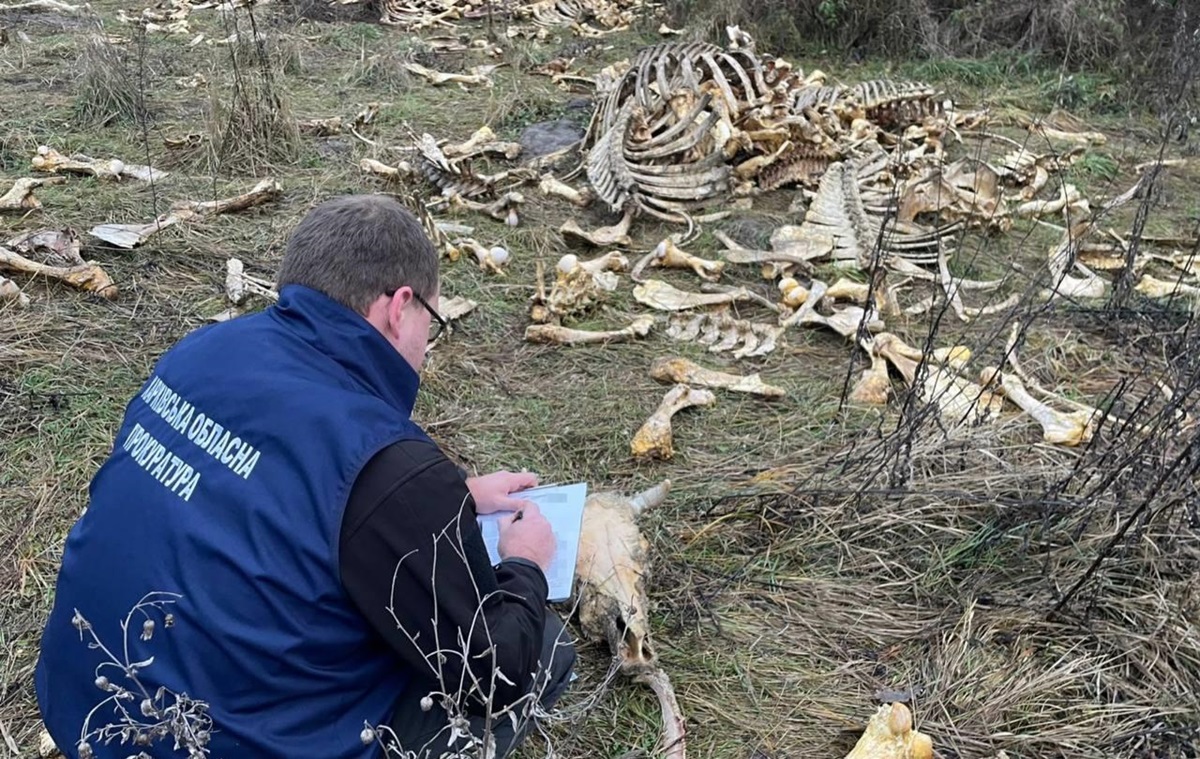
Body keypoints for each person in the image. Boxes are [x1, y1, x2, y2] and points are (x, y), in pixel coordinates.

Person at [34, 194, 576, 759]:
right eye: (430, 325)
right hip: (214, 744)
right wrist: (524, 563)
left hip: (85, 706)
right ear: (399, 306)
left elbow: (258, 488)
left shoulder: (201, 350)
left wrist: (450, 500)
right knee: (541, 649)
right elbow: (493, 675)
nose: (425, 346)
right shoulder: (389, 465)